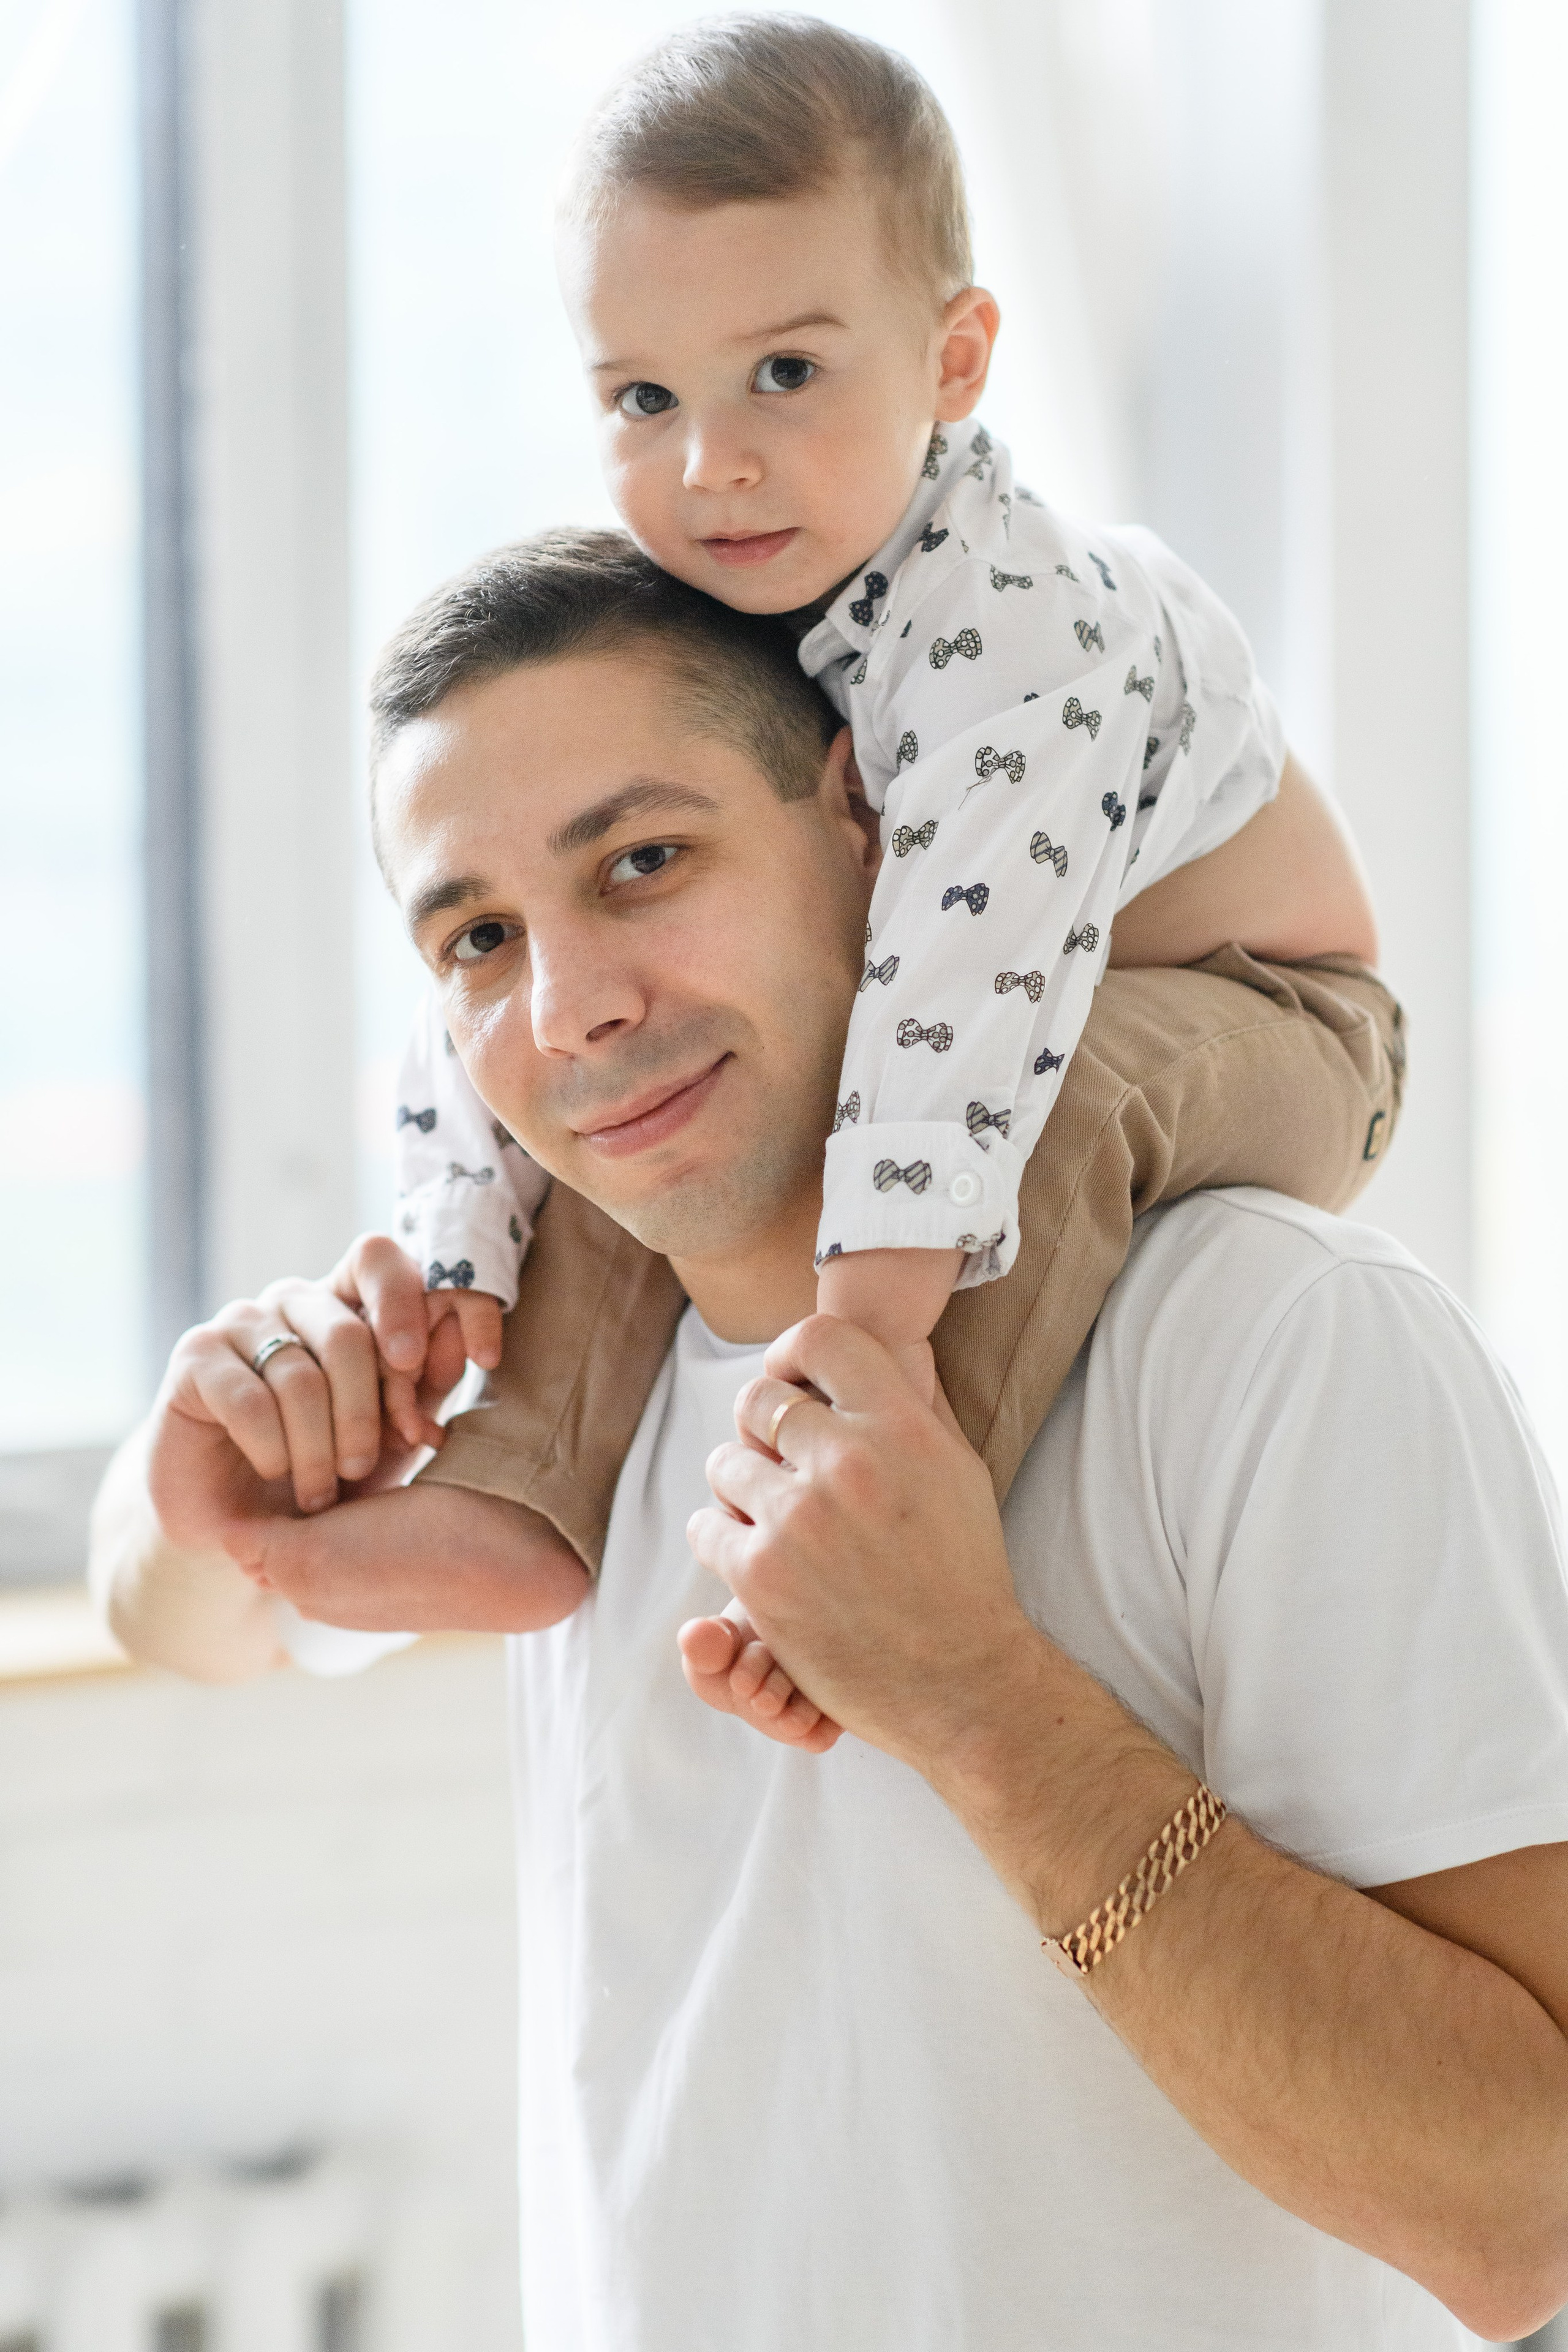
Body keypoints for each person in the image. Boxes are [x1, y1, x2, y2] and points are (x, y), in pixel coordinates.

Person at [94, 538, 1568, 2347]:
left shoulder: (1279, 1342)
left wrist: (976, 1699)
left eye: (645, 862)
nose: (571, 1010)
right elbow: (190, 1619)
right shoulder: (548, 1404)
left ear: (872, 824)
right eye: (479, 937)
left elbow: (1528, 2215)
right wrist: (185, 1488)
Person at [386, 16, 1402, 1721]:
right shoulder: (745, 591)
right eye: (645, 396)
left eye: (785, 373)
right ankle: (514, 1485)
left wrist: (857, 1334)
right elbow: (510, 922)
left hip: (1261, 1017)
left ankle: (882, 1553)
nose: (711, 464)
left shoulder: (1014, 631)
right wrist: (449, 1245)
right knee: (657, 1089)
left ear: (955, 359)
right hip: (1003, 993)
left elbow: (961, 985)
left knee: (1039, 1119)